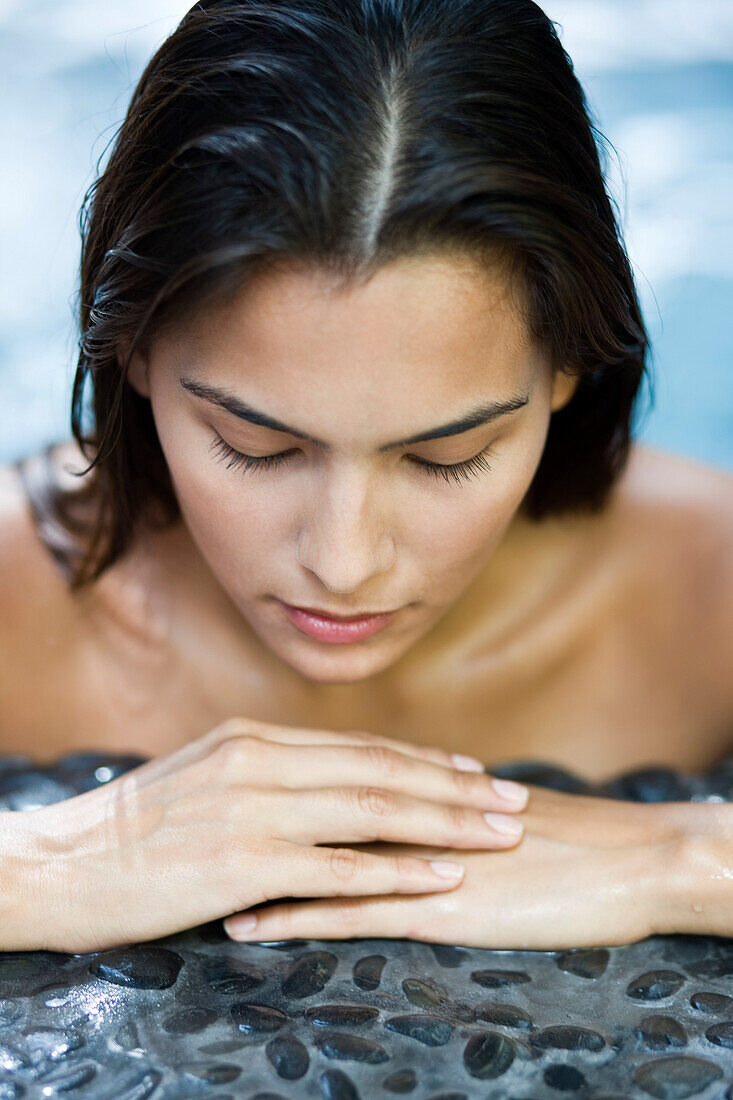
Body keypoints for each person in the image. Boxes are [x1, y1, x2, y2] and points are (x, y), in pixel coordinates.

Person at [0, 0, 730, 954]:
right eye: (253, 446)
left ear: (565, 373)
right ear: (130, 354)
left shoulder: (704, 587)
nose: (343, 564)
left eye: (446, 457)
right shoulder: (17, 595)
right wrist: (45, 866)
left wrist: (681, 855)